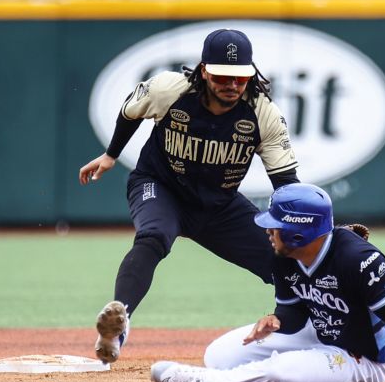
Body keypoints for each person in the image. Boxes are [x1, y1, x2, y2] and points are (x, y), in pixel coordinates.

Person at [79, 29, 299, 364]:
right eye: (223, 76)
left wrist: (304, 232)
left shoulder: (262, 112)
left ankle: (310, 331)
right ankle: (118, 323)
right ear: (204, 70)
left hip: (219, 204)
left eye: (240, 77)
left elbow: (285, 182)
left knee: (285, 261)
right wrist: (111, 154)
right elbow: (130, 111)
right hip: (160, 186)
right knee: (153, 236)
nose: (232, 85)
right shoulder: (171, 89)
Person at [150, 183, 385, 382]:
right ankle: (250, 370)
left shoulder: (358, 258)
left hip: (367, 360)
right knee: (219, 354)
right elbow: (293, 311)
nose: (269, 233)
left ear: (299, 232)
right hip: (322, 333)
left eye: (275, 226)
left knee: (281, 372)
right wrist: (277, 319)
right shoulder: (284, 257)